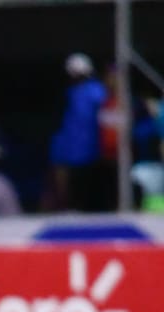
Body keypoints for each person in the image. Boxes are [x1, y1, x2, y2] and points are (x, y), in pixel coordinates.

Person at [48, 53, 107, 212]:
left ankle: (89, 205)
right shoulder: (69, 93)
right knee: (68, 175)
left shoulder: (96, 91)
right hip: (70, 144)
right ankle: (68, 205)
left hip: (91, 144)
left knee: (89, 178)